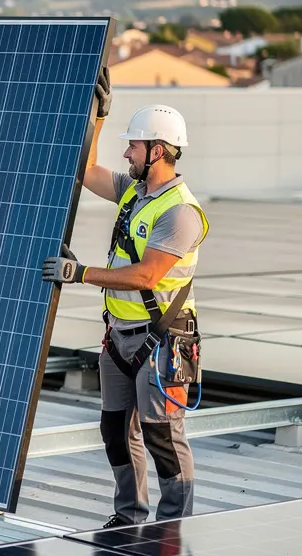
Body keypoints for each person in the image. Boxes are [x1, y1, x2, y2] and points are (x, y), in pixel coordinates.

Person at [42, 68, 209, 529]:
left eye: (132, 146)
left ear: (157, 151)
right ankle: (128, 515)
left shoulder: (180, 212)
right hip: (119, 338)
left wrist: (80, 274)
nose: (126, 153)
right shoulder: (135, 192)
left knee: (162, 438)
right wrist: (99, 115)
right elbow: (85, 172)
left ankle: (173, 526)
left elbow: (145, 275)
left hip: (162, 342)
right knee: (114, 430)